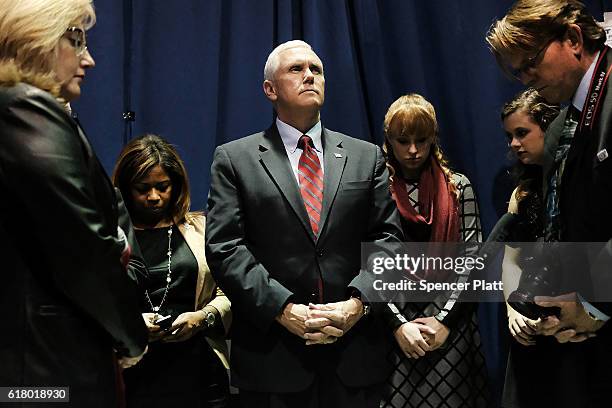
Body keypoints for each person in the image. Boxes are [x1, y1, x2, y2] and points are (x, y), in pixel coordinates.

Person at [205, 40, 403, 408]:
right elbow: (225, 248)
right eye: (296, 69)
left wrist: (357, 304)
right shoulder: (235, 159)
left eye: (316, 69)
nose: (309, 75)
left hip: (354, 358)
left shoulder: (366, 156)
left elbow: (388, 241)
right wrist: (282, 309)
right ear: (270, 89)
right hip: (272, 360)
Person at [0, 0, 148, 406]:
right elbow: (84, 246)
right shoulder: (24, 107)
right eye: (77, 40)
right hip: (42, 373)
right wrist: (132, 337)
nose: (90, 59)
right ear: (37, 37)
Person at [487, 1, 612, 405]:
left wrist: (596, 305)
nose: (526, 78)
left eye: (530, 63)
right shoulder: (563, 123)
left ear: (573, 39)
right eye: (517, 71)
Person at [379, 94, 490, 407]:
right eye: (403, 141)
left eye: (422, 140)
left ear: (433, 139)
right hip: (396, 325)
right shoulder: (376, 192)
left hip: (451, 324)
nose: (413, 150)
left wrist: (444, 320)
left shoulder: (458, 187)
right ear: (388, 140)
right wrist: (397, 324)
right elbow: (371, 265)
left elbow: (473, 260)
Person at [112, 134, 232, 408]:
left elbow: (229, 293)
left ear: (176, 186)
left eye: (162, 187)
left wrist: (202, 318)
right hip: (131, 374)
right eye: (143, 188)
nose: (154, 197)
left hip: (200, 371)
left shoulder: (201, 230)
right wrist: (131, 325)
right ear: (124, 188)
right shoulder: (110, 238)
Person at [499, 89, 561, 407]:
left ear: (548, 127)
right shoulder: (522, 193)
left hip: (570, 324)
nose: (514, 144)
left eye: (522, 133)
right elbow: (509, 260)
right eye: (510, 135)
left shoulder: (574, 180)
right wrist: (512, 309)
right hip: (529, 324)